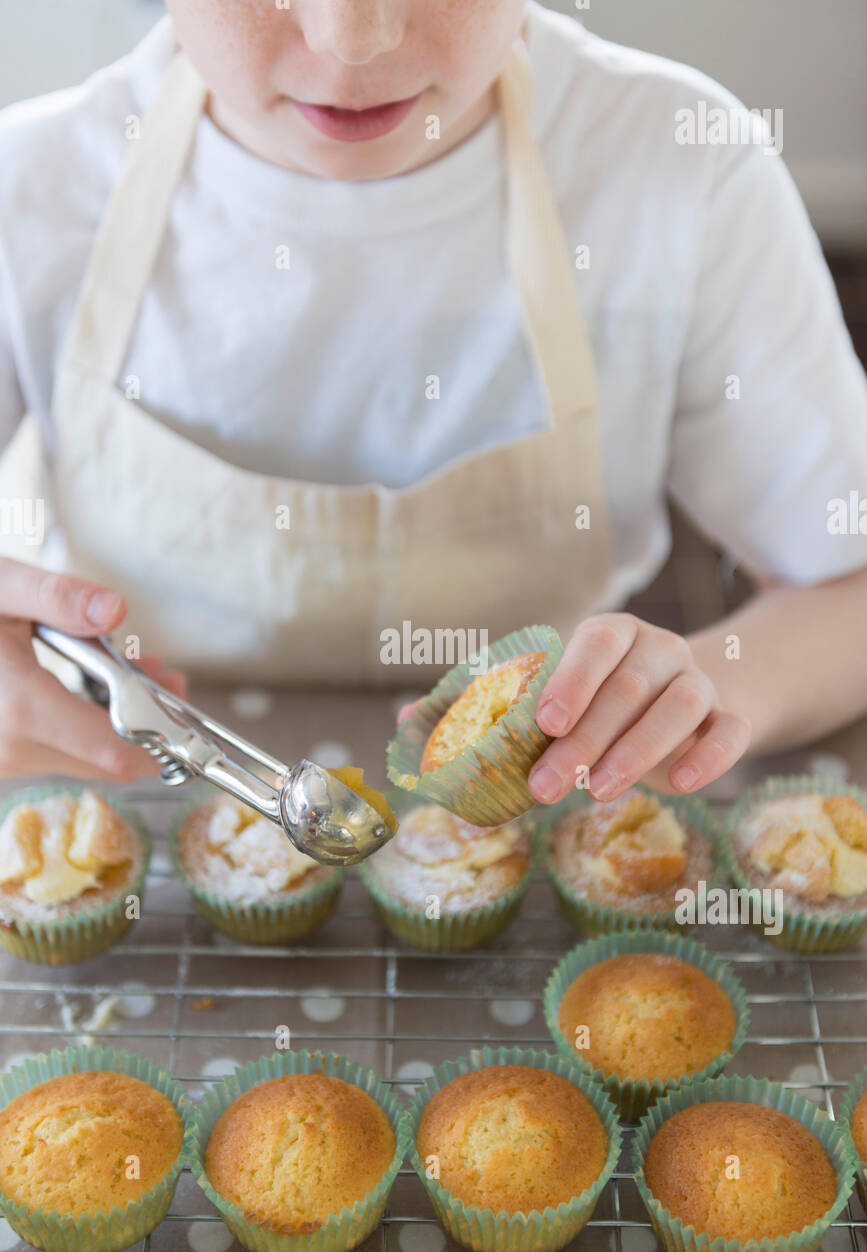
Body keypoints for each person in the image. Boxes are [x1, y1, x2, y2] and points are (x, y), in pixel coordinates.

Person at [0, 0, 865, 804]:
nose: (351, 38)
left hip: (534, 801)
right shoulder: (33, 186)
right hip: (133, 804)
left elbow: (848, 587)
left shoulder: (677, 168)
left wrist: (708, 684)